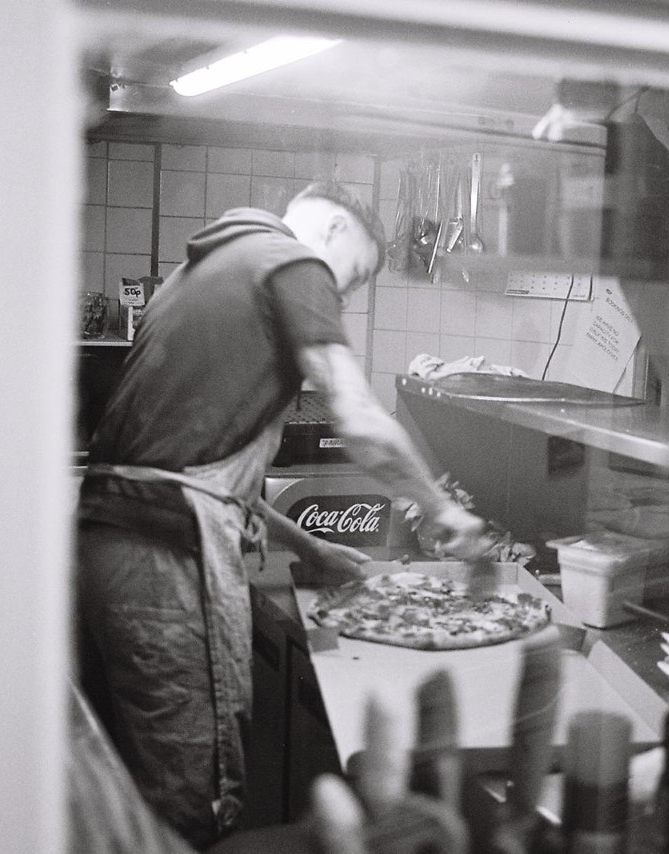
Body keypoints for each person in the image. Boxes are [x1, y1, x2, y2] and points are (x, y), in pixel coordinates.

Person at [74, 181, 490, 849]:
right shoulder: (294, 262)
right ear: (328, 232)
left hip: (105, 553)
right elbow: (358, 418)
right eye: (350, 279)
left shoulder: (202, 269)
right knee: (193, 808)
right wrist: (442, 509)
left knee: (128, 810)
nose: (341, 299)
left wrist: (309, 548)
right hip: (163, 563)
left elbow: (194, 464)